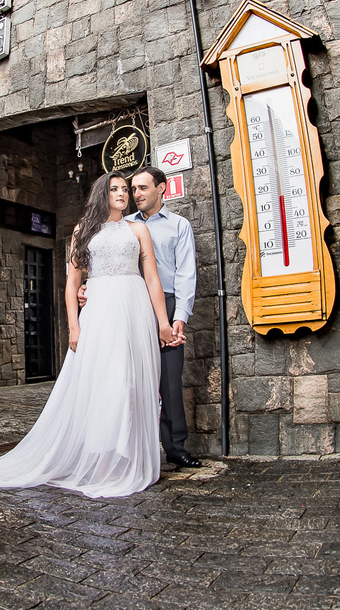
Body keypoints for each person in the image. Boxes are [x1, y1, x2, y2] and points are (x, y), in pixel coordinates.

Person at [0, 172, 176, 498]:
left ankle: (128, 458)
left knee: (131, 383)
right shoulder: (82, 231)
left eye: (125, 190)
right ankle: (102, 461)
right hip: (100, 313)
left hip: (135, 312)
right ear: (101, 193)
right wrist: (74, 326)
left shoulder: (139, 230)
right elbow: (72, 284)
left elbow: (152, 279)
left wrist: (162, 322)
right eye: (115, 189)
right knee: (104, 384)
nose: (122, 194)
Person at [129, 165, 201, 469]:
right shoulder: (123, 225)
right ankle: (132, 448)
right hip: (132, 304)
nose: (136, 195)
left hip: (169, 305)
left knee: (170, 379)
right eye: (133, 189)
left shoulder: (179, 225)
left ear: (162, 189)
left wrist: (180, 314)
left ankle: (174, 447)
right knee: (129, 376)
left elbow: (186, 272)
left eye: (142, 188)